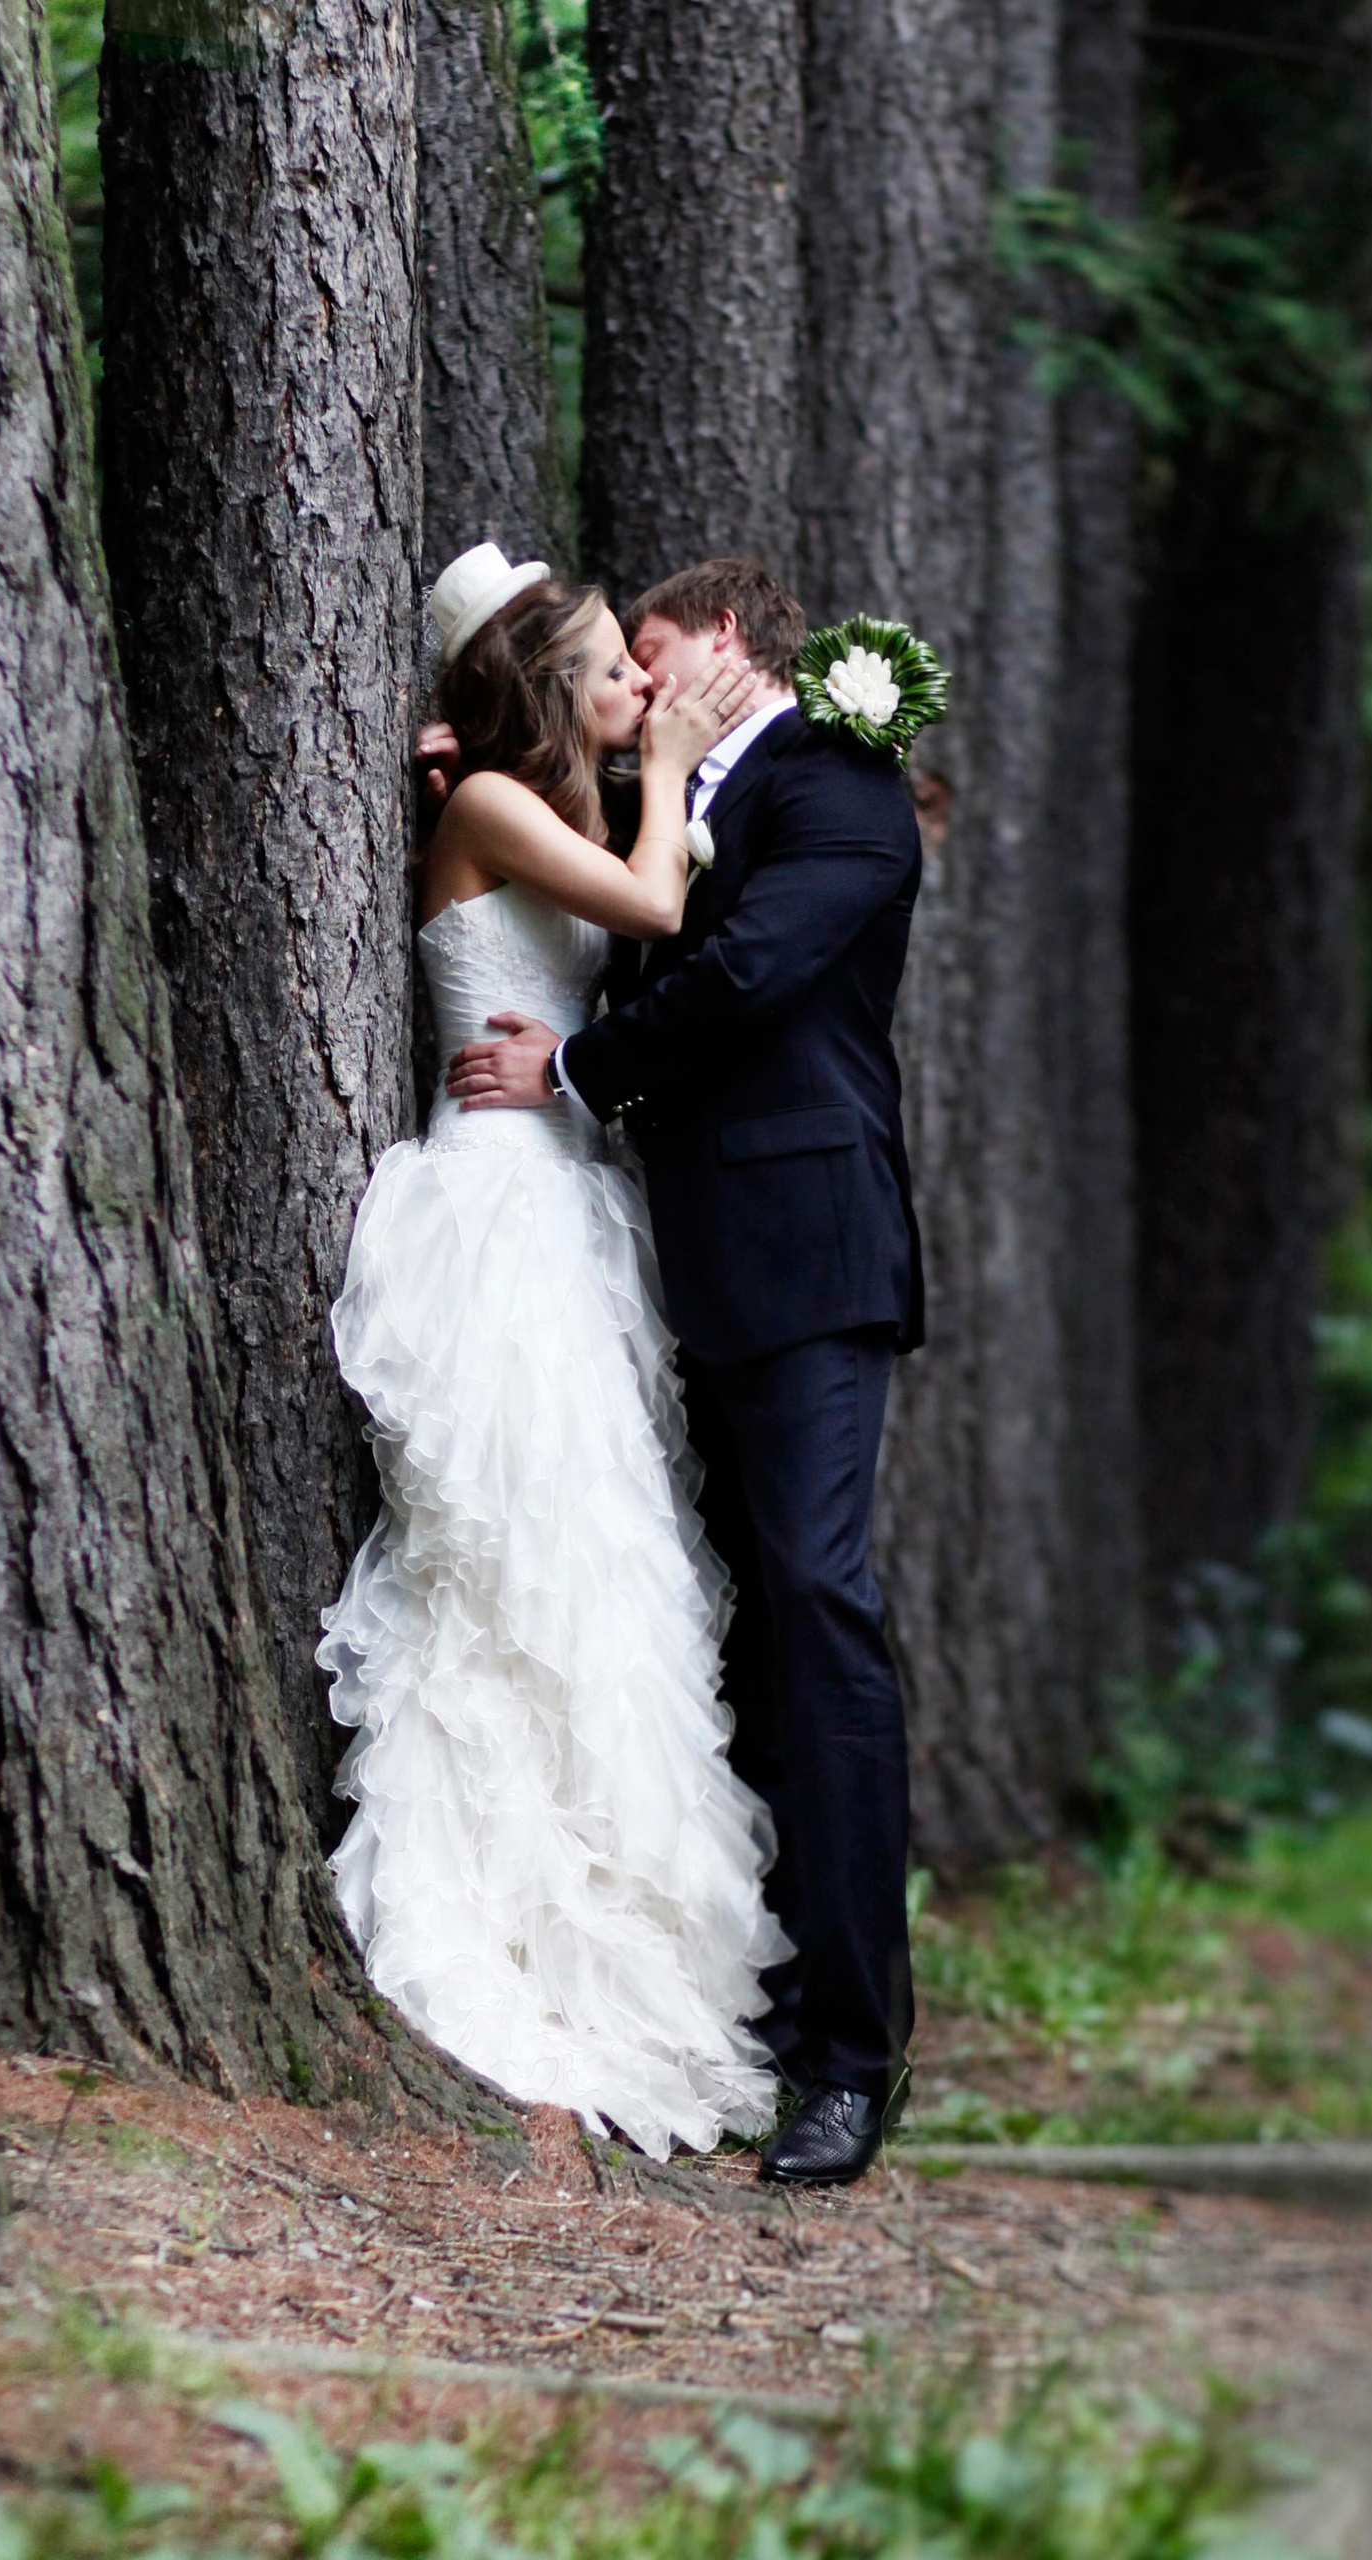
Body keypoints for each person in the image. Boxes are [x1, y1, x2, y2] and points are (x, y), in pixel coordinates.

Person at [441, 556, 926, 2190]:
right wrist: (474, 770)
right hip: (668, 1279)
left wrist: (572, 1065)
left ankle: (854, 2055)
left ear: (723, 643)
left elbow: (745, 974)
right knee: (726, 1636)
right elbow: (585, 870)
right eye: (618, 672)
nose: (639, 690)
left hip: (808, 1261)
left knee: (816, 1604)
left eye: (651, 658)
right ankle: (758, 2001)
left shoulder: (839, 787)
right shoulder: (669, 795)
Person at [319, 541, 785, 2161]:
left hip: (575, 1207)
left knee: (603, 1560)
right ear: (542, 689)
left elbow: (661, 911)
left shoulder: (545, 803)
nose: (630, 690)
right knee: (506, 1563)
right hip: (496, 1216)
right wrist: (661, 771)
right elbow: (657, 897)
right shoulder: (501, 813)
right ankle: (490, 1916)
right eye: (602, 672)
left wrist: (665, 770)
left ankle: (608, 1911)